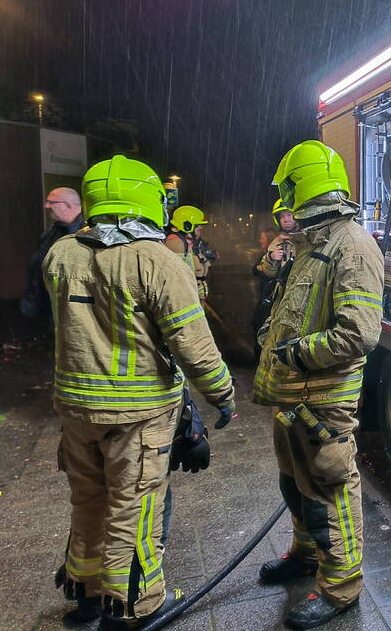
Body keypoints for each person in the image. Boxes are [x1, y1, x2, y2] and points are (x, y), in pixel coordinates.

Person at [43, 156, 236, 628]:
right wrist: (222, 394)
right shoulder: (158, 261)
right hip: (139, 412)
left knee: (88, 501)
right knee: (134, 507)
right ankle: (134, 605)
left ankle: (86, 594)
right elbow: (192, 344)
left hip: (76, 410)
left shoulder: (61, 254)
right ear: (148, 200)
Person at [254, 140, 383, 629]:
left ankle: (341, 587)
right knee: (297, 485)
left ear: (298, 187)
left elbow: (359, 333)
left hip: (323, 403)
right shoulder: (313, 245)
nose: (283, 200)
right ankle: (304, 555)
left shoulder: (351, 245)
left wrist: (292, 353)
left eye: (286, 189)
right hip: (293, 398)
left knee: (329, 490)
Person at [20, 187, 84, 321]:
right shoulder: (53, 230)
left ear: (67, 205)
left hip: (72, 310)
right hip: (49, 307)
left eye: (52, 202)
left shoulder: (88, 232)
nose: (46, 206)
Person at [251, 199, 299, 360]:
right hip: (284, 299)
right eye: (282, 216)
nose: (286, 219)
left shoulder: (308, 238)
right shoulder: (278, 242)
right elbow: (269, 273)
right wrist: (271, 258)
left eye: (289, 215)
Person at [165, 205, 211, 300]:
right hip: (186, 295)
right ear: (186, 225)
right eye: (197, 225)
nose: (201, 227)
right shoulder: (175, 241)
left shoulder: (186, 240)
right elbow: (178, 274)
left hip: (192, 291)